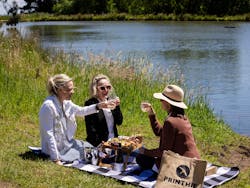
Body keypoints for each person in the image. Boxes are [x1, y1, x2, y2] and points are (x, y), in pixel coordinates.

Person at [39, 74, 114, 165]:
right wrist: (55, 159)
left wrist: (99, 106)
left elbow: (81, 111)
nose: (73, 91)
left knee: (94, 150)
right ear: (59, 90)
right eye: (70, 89)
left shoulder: (66, 102)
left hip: (68, 144)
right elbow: (49, 134)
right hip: (57, 150)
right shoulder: (48, 106)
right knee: (93, 155)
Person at [136, 84, 200, 171]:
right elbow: (160, 132)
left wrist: (144, 151)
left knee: (141, 158)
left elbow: (164, 152)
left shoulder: (170, 121)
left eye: (162, 99)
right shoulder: (182, 117)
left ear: (168, 104)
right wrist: (151, 113)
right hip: (194, 162)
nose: (160, 101)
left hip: (181, 165)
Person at [84, 74, 123, 147]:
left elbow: (119, 122)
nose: (106, 90)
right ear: (95, 89)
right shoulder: (91, 103)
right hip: (99, 143)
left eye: (108, 87)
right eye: (102, 88)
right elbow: (91, 130)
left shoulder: (111, 101)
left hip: (114, 141)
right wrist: (102, 145)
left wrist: (117, 107)